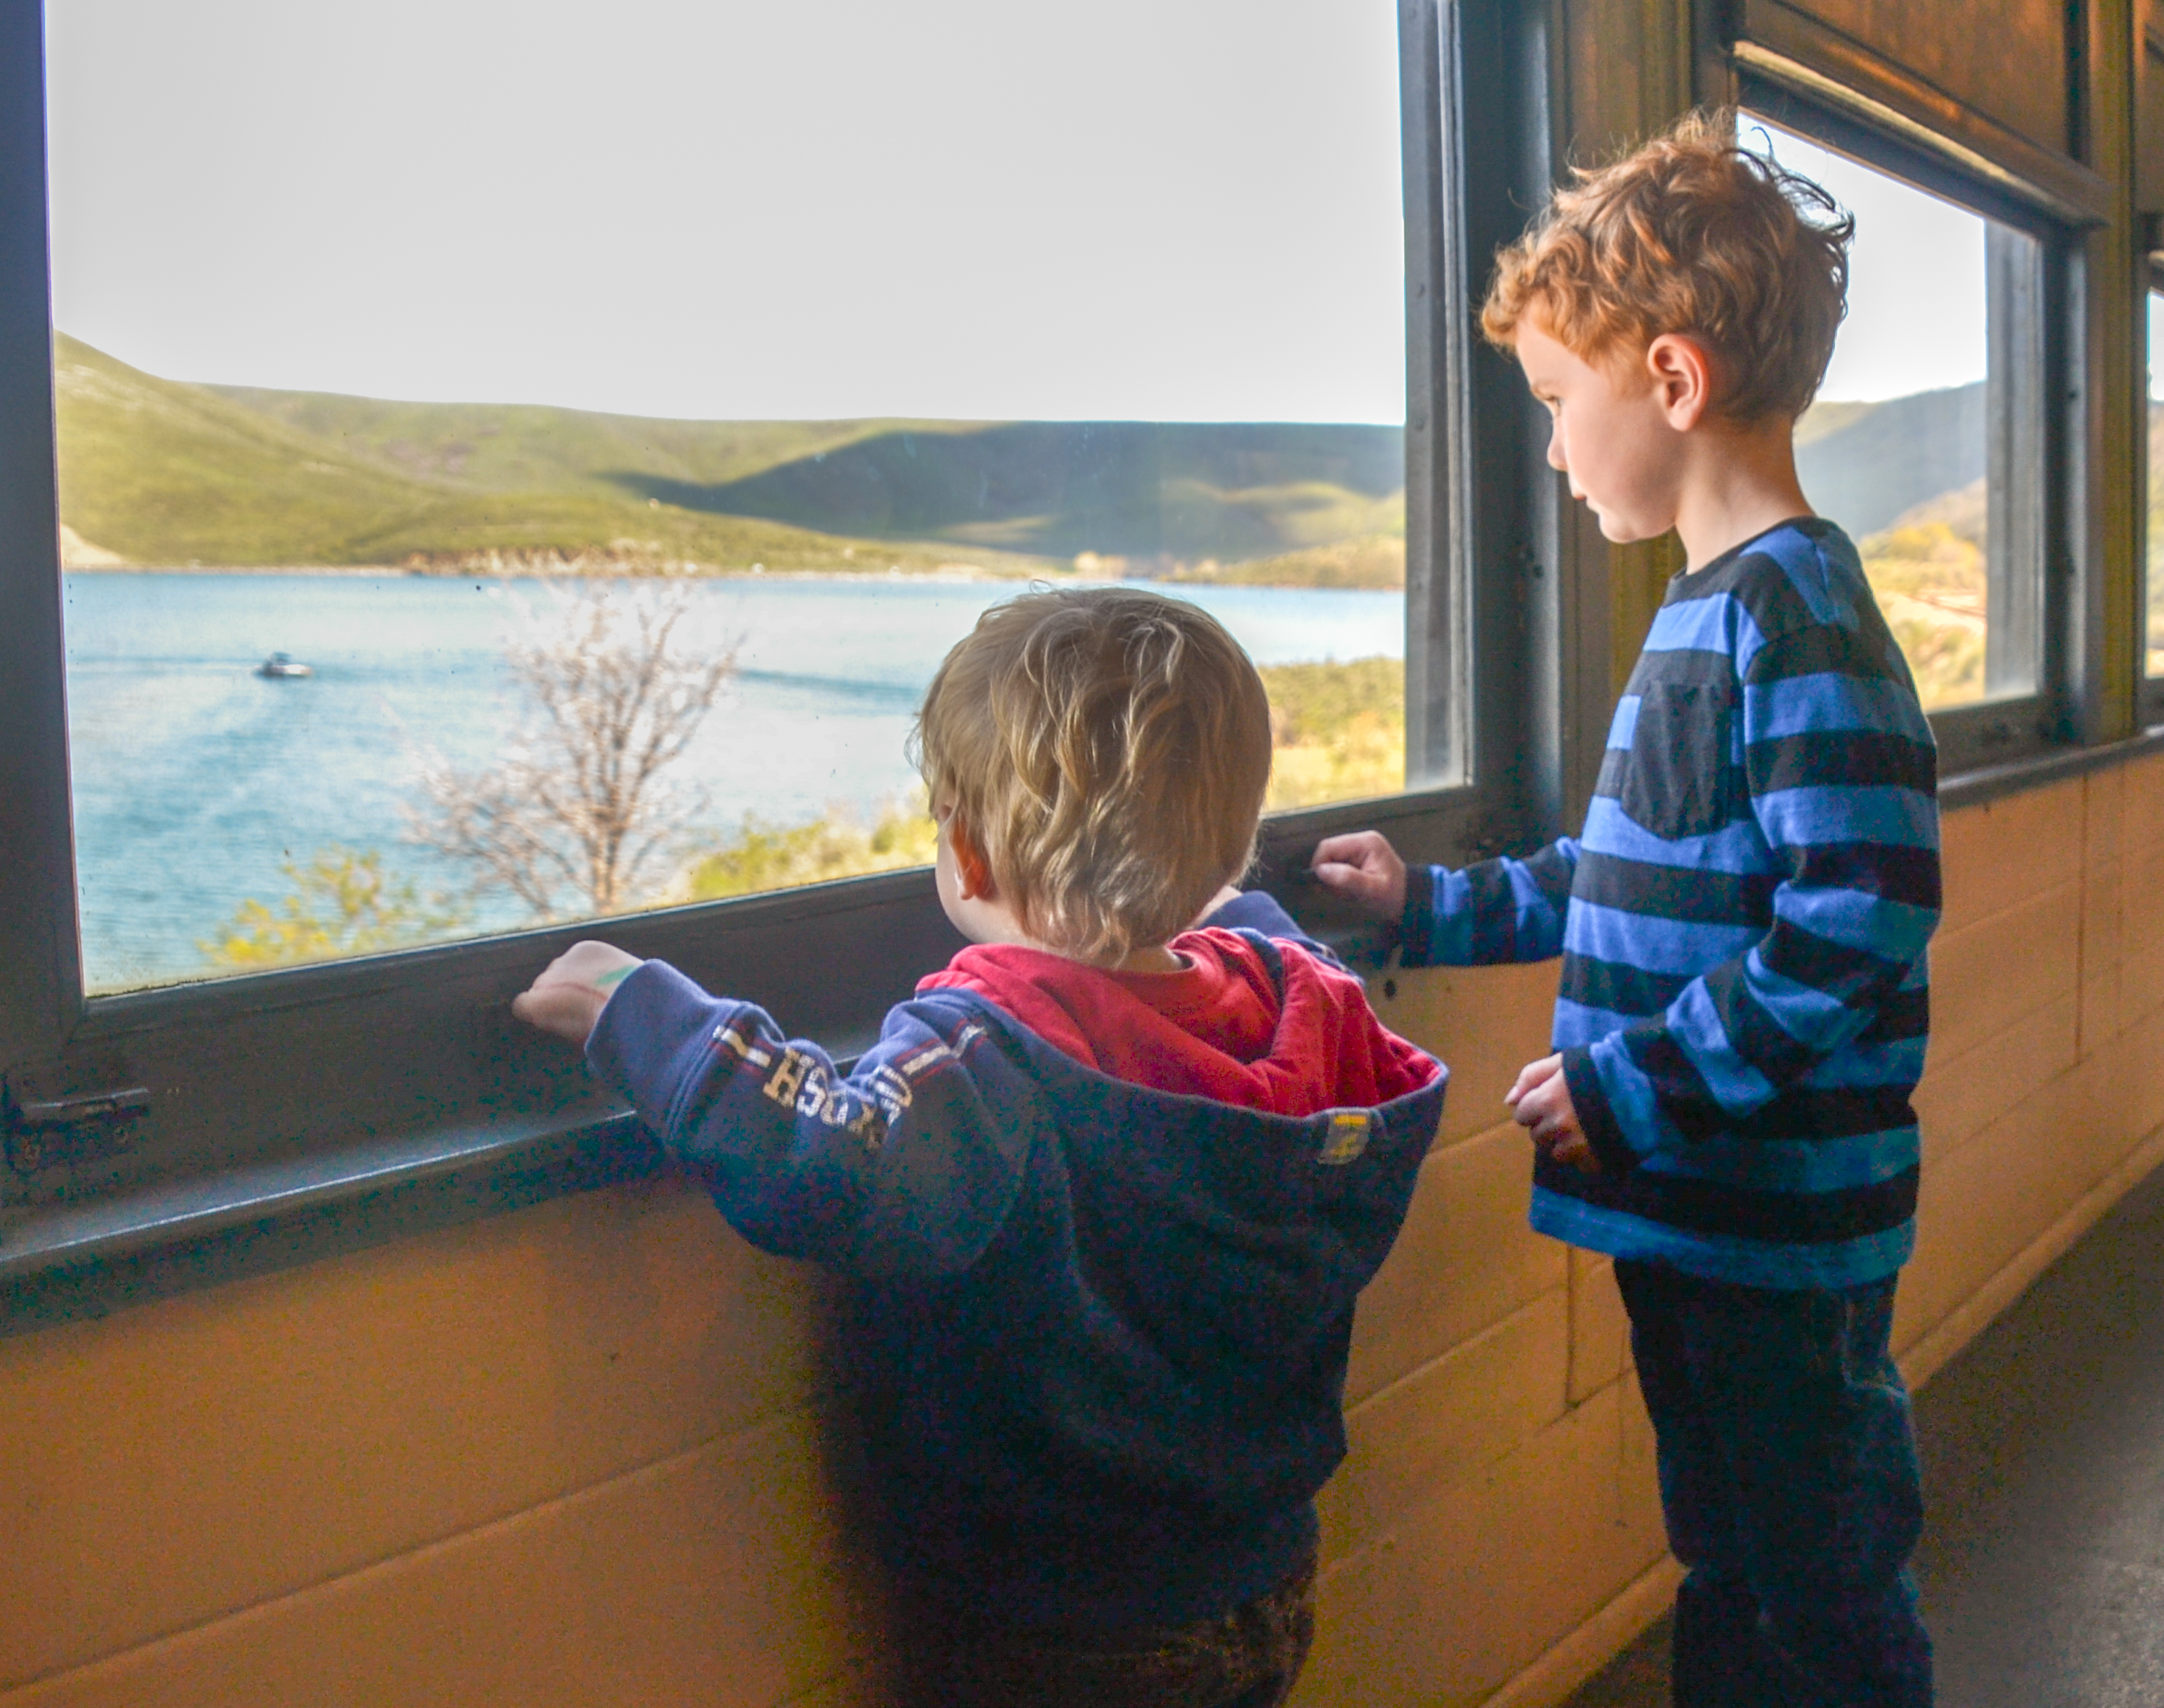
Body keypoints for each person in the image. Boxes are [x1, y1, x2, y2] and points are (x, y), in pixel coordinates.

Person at [513, 586, 1447, 1708]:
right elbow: (1251, 936)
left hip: (1066, 1623)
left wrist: (637, 1008)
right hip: (1263, 1571)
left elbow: (828, 1156)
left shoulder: (994, 1054)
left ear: (964, 850)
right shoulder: (1308, 1007)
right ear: (1230, 846)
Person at [1310, 112, 1939, 1707]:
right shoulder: (1709, 610)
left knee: (1818, 1587)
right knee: (1732, 1559)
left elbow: (1860, 910)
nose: (1547, 448)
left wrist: (1632, 1081)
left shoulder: (1794, 615)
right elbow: (1624, 869)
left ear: (1668, 380)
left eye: (1552, 401)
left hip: (1773, 1228)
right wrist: (1425, 907)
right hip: (1692, 1209)